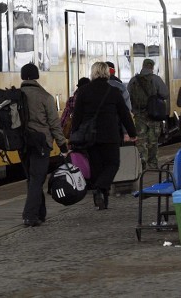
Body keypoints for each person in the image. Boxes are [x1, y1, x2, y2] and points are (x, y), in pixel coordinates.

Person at [71, 62, 137, 210]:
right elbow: (124, 114)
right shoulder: (113, 92)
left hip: (90, 138)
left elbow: (77, 116)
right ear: (107, 73)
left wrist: (73, 135)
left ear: (93, 73)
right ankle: (101, 190)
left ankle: (101, 200)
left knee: (97, 168)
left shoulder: (83, 91)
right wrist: (132, 133)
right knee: (113, 164)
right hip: (110, 136)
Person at [19, 63, 69, 227]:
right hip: (41, 142)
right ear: (36, 76)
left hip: (22, 143)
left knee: (32, 179)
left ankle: (40, 213)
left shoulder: (17, 95)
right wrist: (63, 146)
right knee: (37, 179)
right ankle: (29, 215)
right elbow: (54, 124)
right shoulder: (45, 96)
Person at [127, 58, 169, 170]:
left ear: (143, 66)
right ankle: (153, 163)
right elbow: (165, 94)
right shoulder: (156, 79)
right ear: (152, 67)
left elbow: (128, 96)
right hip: (153, 115)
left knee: (141, 140)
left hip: (139, 115)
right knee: (153, 140)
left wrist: (134, 110)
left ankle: (142, 163)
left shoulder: (133, 80)